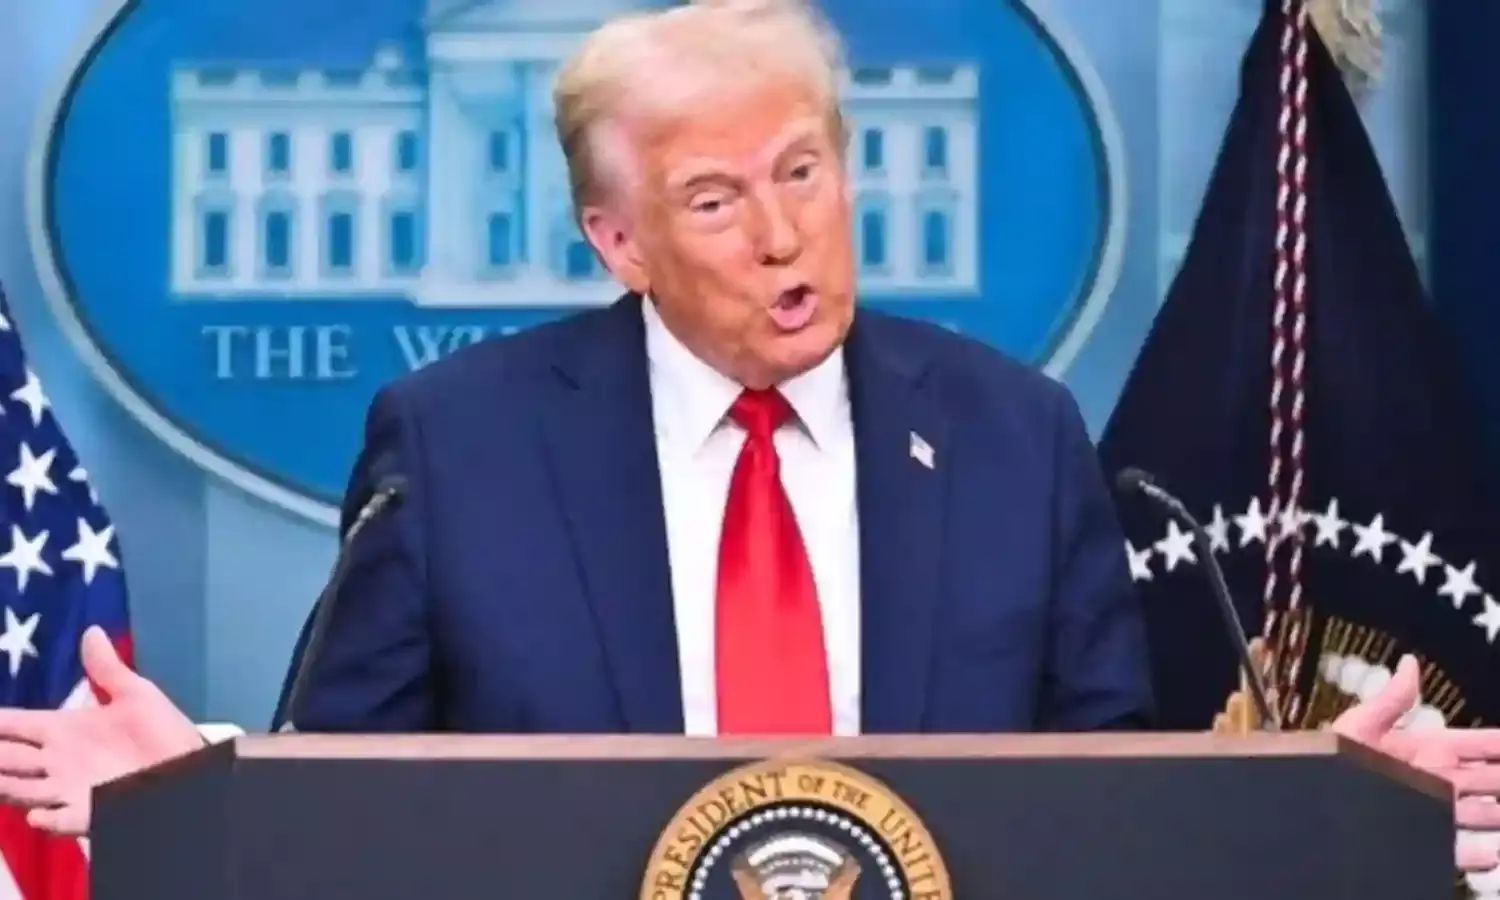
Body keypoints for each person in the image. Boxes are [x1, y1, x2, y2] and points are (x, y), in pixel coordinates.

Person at [0, 0, 1498, 871]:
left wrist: (1330, 802)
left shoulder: (1014, 434)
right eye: (714, 200)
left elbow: (1108, 804)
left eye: (803, 171)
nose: (783, 235)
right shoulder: (457, 447)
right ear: (619, 243)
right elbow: (348, 794)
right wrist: (196, 792)